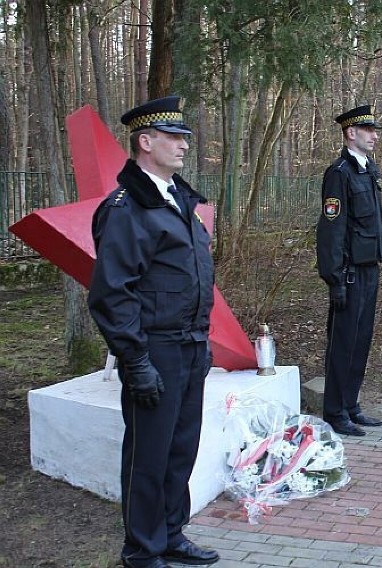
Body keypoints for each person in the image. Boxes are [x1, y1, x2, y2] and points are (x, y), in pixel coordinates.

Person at [88, 96, 219, 568]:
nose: (184, 145)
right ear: (146, 142)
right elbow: (112, 293)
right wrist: (135, 360)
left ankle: (171, 534)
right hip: (155, 349)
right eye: (174, 137)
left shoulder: (177, 199)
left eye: (184, 137)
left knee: (181, 448)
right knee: (149, 454)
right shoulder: (128, 208)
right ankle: (142, 550)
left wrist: (202, 344)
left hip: (190, 345)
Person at [316, 104, 382, 437]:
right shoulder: (340, 173)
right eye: (369, 130)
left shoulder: (367, 169)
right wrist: (335, 278)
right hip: (349, 272)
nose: (375, 135)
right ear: (351, 133)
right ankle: (334, 411)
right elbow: (332, 229)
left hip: (369, 267)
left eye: (375, 130)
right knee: (343, 341)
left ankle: (350, 404)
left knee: (361, 340)